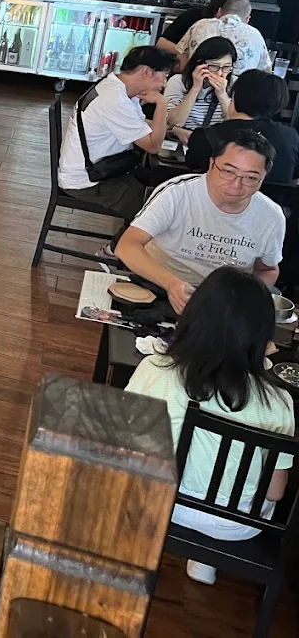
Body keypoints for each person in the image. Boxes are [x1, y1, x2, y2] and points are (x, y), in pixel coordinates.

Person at [125, 266, 293, 585]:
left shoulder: (155, 369)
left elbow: (125, 440)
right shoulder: (280, 402)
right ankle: (204, 561)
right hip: (237, 527)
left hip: (162, 505)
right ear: (263, 336)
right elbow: (275, 491)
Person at [115, 133, 285, 312]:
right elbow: (127, 246)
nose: (236, 185)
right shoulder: (178, 193)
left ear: (263, 178)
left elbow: (267, 270)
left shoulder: (270, 216)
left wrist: (241, 300)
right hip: (158, 286)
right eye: (228, 171)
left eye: (250, 178)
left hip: (222, 303)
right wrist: (171, 284)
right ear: (212, 164)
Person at [57, 45, 172, 221]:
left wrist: (176, 130)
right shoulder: (115, 100)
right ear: (147, 72)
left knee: (160, 188)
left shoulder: (114, 86)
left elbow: (139, 124)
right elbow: (153, 146)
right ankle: (114, 248)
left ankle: (125, 243)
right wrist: (162, 104)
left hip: (102, 168)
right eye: (164, 77)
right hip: (87, 180)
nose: (164, 85)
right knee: (154, 212)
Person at [186, 69, 299, 184]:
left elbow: (192, 168)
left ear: (235, 95)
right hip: (276, 201)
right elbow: (294, 175)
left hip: (219, 200)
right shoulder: (290, 136)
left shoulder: (204, 136)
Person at [164, 36, 236, 143]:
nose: (220, 73)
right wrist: (195, 88)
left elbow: (235, 127)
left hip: (217, 145)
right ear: (200, 64)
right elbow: (174, 122)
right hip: (183, 143)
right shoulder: (178, 81)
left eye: (226, 67)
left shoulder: (234, 83)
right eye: (214, 66)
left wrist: (222, 95)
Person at [179, 0, 272, 73]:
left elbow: (181, 60)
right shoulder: (255, 34)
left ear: (219, 11)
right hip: (238, 91)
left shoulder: (200, 25)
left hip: (196, 85)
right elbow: (266, 71)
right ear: (247, 19)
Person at [157, 0, 245, 68]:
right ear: (219, 11)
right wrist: (188, 55)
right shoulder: (195, 17)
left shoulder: (246, 30)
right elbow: (161, 43)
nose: (232, 20)